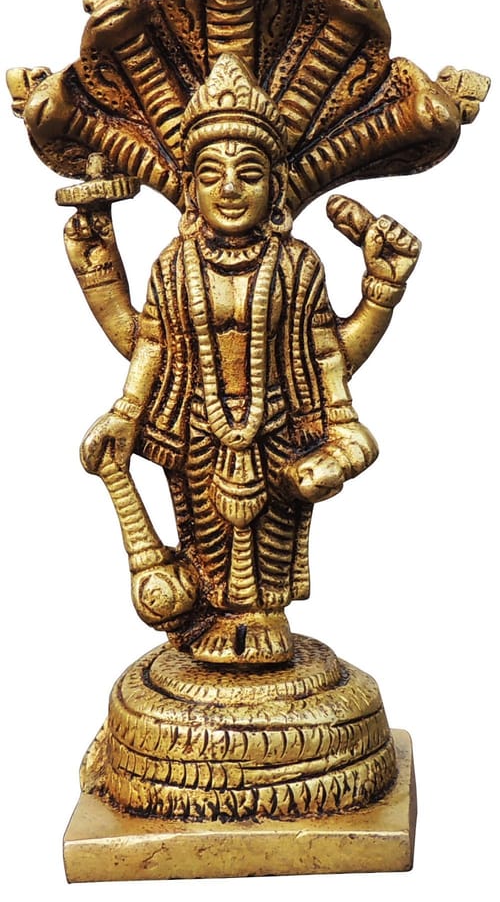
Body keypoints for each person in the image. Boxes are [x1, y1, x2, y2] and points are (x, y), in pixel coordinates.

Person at [80, 54, 418, 664]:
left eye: (250, 173)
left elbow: (328, 353)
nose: (230, 189)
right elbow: (149, 342)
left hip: (278, 425)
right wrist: (125, 406)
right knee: (203, 524)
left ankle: (263, 615)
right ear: (190, 188)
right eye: (211, 174)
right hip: (198, 427)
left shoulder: (298, 265)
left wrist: (381, 293)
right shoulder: (173, 265)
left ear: (276, 186)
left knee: (273, 528)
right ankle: (212, 612)